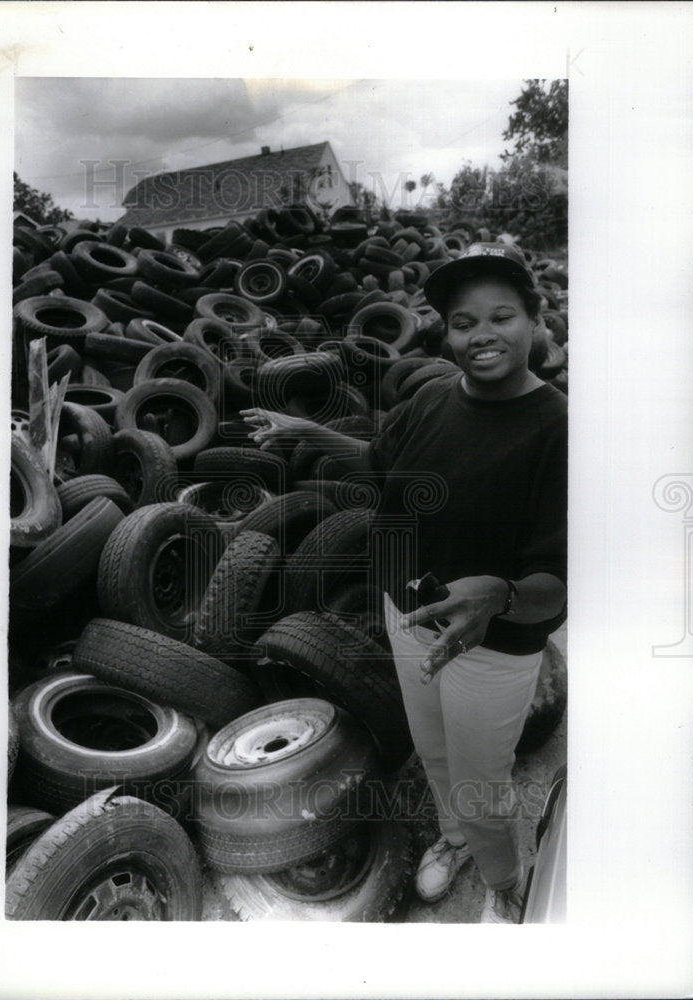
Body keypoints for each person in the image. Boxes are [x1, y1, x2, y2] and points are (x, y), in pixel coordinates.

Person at [241, 242, 567, 924]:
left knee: (482, 781)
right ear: (444, 333)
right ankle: (452, 844)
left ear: (534, 322)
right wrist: (306, 430)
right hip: (406, 611)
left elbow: (557, 583)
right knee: (434, 751)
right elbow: (380, 463)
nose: (481, 335)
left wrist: (499, 595)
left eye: (500, 316)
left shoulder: (558, 431)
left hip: (491, 645)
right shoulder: (430, 398)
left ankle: (504, 881)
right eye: (461, 322)